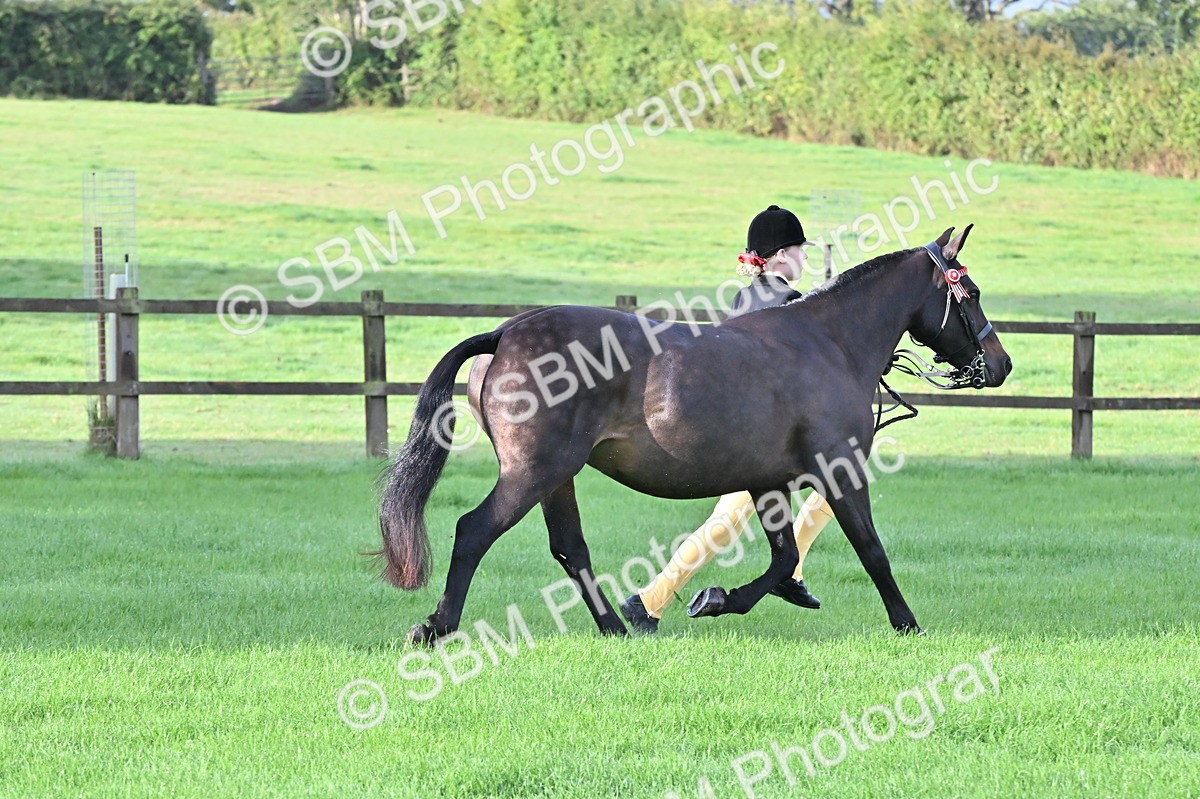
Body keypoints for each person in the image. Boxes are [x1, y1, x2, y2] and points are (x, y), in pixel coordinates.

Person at [620, 205, 838, 634]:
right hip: (767, 443)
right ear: (779, 257)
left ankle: (787, 573)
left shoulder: (745, 298)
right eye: (800, 251)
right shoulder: (791, 305)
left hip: (751, 431)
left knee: (740, 520)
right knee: (735, 521)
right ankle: (648, 601)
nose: (805, 258)